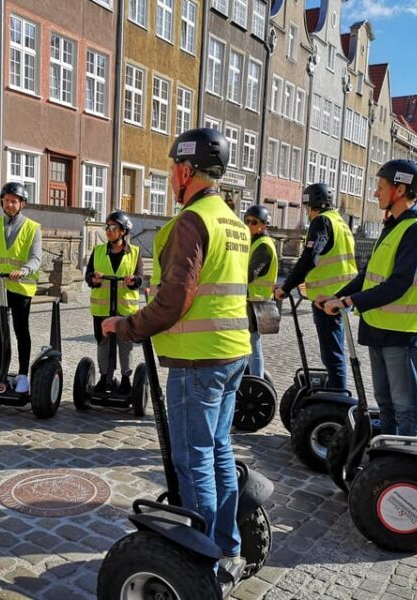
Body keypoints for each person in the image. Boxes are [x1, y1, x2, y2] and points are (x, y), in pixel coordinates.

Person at [101, 128, 251, 591]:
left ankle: (198, 565)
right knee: (219, 451)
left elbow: (173, 303)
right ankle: (228, 547)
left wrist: (123, 326)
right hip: (232, 355)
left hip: (197, 362)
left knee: (194, 460)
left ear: (186, 171)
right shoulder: (234, 221)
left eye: (171, 170)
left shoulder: (191, 222)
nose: (171, 178)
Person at [319, 159, 417, 438]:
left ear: (399, 189)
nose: (376, 193)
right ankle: (387, 461)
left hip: (402, 333)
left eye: (381, 187)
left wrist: (349, 303)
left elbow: (399, 284)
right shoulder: (394, 226)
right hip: (377, 327)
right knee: (385, 403)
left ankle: (408, 462)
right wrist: (337, 296)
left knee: (405, 406)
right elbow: (369, 275)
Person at [274, 183, 357, 390]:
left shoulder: (322, 222)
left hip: (327, 299)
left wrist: (286, 287)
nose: (307, 213)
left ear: (311, 205)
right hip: (343, 294)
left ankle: (337, 398)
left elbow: (309, 258)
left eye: (306, 208)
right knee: (334, 351)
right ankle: (336, 390)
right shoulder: (340, 222)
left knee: (332, 355)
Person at [0, 182, 42, 393]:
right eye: (7, 201)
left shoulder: (33, 227)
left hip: (20, 287)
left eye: (14, 201)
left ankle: (23, 375)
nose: (10, 205)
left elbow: (36, 258)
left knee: (21, 330)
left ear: (22, 204)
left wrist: (24, 270)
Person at [84, 211, 144, 394]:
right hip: (102, 309)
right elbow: (88, 276)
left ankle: (126, 379)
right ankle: (104, 378)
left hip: (125, 309)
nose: (109, 231)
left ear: (123, 231)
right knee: (103, 343)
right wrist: (93, 279)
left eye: (113, 228)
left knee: (125, 345)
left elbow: (140, 278)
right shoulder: (98, 251)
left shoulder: (135, 252)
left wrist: (133, 280)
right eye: (107, 227)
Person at [244, 204, 278, 379]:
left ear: (264, 225)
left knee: (253, 343)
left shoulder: (264, 246)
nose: (249, 224)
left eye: (254, 222)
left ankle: (257, 380)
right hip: (251, 301)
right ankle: (249, 376)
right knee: (247, 343)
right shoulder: (254, 242)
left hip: (256, 303)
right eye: (247, 220)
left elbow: (250, 274)